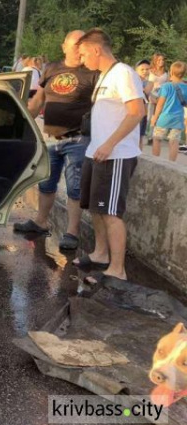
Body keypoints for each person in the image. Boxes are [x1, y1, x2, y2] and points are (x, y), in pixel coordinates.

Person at [14, 30, 98, 251]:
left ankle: (72, 232)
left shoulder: (92, 72)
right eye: (76, 43)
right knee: (46, 183)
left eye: (83, 44)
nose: (80, 48)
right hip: (50, 139)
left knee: (74, 187)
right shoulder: (51, 68)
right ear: (65, 47)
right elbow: (38, 99)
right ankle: (40, 222)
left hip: (78, 138)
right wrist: (22, 120)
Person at [74, 28, 145, 284]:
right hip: (97, 153)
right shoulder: (105, 75)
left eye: (83, 54)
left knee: (111, 212)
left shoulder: (124, 73)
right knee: (95, 208)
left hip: (115, 155)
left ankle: (117, 269)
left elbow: (137, 111)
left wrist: (110, 144)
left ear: (96, 49)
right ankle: (100, 254)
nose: (82, 60)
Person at [151, 61, 187, 162]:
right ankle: (171, 163)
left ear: (171, 72)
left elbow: (160, 104)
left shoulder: (166, 86)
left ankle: (155, 161)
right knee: (174, 142)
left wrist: (154, 117)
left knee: (157, 139)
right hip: (178, 119)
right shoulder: (186, 88)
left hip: (164, 117)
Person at [145, 52, 168, 141]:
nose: (161, 61)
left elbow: (166, 85)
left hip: (161, 96)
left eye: (162, 60)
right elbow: (147, 84)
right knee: (149, 116)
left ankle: (153, 135)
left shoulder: (166, 72)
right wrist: (150, 96)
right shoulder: (150, 71)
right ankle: (147, 133)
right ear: (155, 61)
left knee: (157, 116)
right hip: (151, 95)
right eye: (159, 60)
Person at [135, 60, 151, 149]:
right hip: (135, 114)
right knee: (135, 138)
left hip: (143, 114)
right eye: (142, 69)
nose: (145, 71)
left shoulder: (146, 82)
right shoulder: (133, 82)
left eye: (147, 69)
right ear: (136, 70)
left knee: (140, 138)